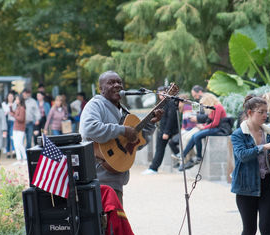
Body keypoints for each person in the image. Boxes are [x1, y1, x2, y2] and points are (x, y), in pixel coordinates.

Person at [79, 71, 163, 204]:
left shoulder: (123, 111)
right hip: (99, 180)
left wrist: (151, 124)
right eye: (111, 82)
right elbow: (89, 129)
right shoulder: (95, 105)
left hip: (116, 180)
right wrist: (122, 130)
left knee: (115, 223)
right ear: (101, 89)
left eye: (119, 82)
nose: (117, 85)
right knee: (106, 223)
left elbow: (136, 145)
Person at [231, 96, 270, 235]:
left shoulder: (269, 132)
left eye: (266, 112)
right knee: (249, 228)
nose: (265, 115)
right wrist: (263, 148)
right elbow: (242, 156)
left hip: (268, 184)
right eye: (261, 112)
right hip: (245, 187)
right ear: (250, 113)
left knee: (267, 226)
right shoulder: (238, 134)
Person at [179, 93, 227, 169]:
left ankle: (197, 156)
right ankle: (183, 155)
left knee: (197, 136)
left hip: (220, 129)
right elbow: (210, 120)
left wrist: (203, 128)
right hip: (214, 127)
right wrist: (203, 125)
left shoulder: (218, 107)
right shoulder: (213, 108)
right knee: (194, 136)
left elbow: (215, 123)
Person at [142, 86, 179, 174]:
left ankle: (153, 168)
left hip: (167, 131)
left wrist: (167, 132)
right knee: (159, 149)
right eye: (159, 94)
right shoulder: (162, 103)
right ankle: (153, 168)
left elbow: (171, 118)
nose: (161, 95)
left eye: (163, 93)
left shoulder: (170, 102)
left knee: (160, 149)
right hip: (161, 130)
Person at [10, 94, 27, 166]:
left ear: (20, 100)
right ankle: (19, 159)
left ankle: (25, 158)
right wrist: (11, 109)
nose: (16, 101)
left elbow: (21, 119)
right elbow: (16, 114)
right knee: (15, 144)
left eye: (17, 99)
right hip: (15, 128)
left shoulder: (22, 108)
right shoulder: (17, 108)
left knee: (20, 144)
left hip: (20, 129)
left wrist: (14, 115)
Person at [2, 92, 16, 158]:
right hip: (6, 122)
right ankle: (8, 151)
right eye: (9, 96)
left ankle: (13, 150)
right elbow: (5, 111)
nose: (10, 98)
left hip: (13, 121)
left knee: (12, 136)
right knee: (6, 137)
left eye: (11, 96)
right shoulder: (4, 104)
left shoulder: (15, 104)